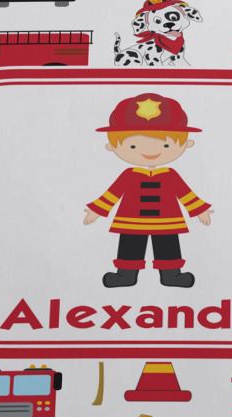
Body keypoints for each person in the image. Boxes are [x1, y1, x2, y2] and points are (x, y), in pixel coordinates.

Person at [84, 92, 211, 288]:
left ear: (187, 144)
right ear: (111, 146)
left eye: (166, 144)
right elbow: (112, 194)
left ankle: (171, 276)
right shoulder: (128, 175)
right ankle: (126, 276)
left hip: (167, 222)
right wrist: (97, 210)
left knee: (168, 249)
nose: (150, 151)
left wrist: (200, 210)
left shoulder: (170, 175)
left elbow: (186, 194)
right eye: (133, 146)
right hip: (131, 221)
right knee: (129, 249)